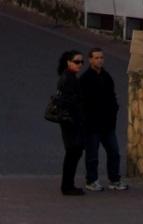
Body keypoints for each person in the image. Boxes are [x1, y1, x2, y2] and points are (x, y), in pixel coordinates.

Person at [80, 48, 128, 192]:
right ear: (90, 60)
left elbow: (112, 96)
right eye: (96, 58)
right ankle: (91, 180)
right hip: (92, 124)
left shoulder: (106, 77)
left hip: (108, 124)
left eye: (101, 58)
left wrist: (114, 110)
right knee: (92, 155)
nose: (99, 60)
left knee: (114, 153)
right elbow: (83, 102)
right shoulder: (85, 79)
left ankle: (114, 180)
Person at [55, 50, 86, 196]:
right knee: (73, 153)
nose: (80, 64)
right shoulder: (68, 78)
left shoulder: (69, 76)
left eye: (81, 62)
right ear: (69, 62)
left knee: (73, 153)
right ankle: (67, 186)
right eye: (77, 62)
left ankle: (68, 184)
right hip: (71, 122)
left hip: (71, 121)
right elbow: (69, 101)